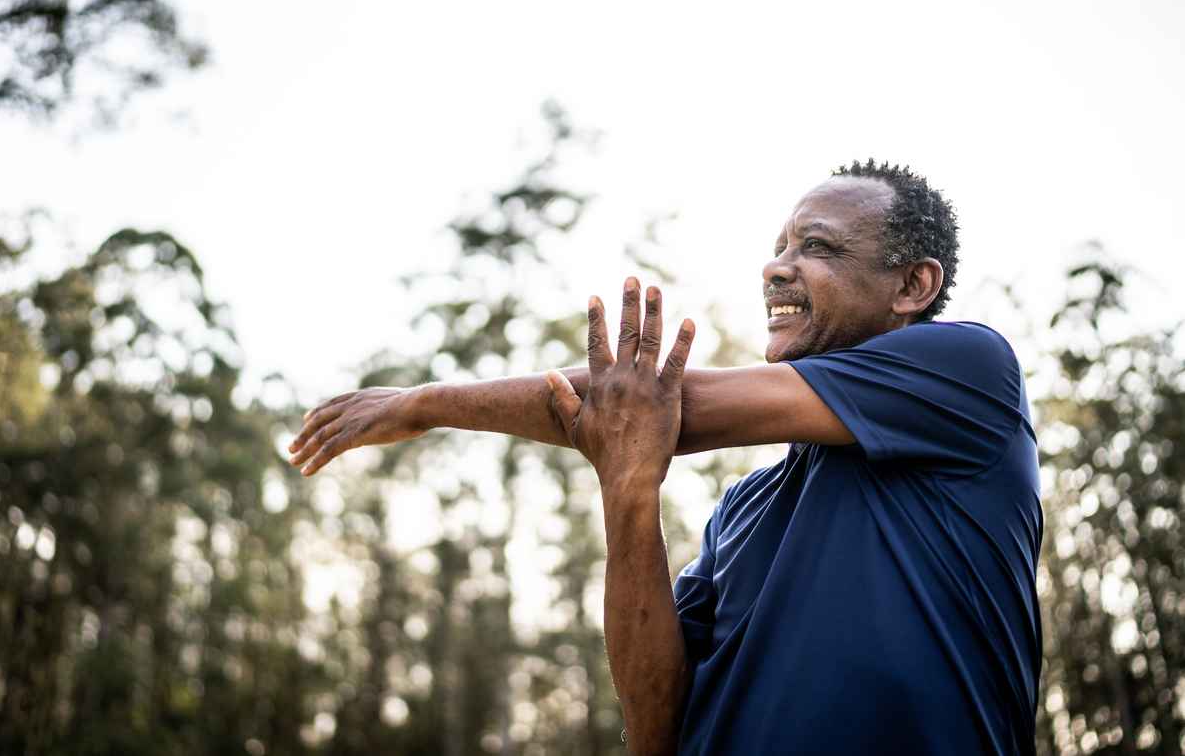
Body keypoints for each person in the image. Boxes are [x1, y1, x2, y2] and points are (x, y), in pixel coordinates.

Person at [288, 160, 1043, 756]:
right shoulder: (742, 511)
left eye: (816, 246)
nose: (776, 267)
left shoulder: (968, 371)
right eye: (779, 246)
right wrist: (627, 490)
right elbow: (655, 730)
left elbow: (655, 405)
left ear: (912, 285)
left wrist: (423, 404)